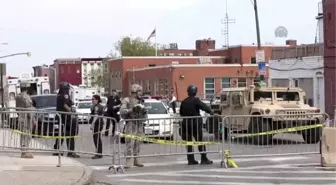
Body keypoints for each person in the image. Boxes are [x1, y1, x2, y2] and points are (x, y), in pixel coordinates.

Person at [180, 84, 214, 165]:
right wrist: (211, 112)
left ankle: (191, 160)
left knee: (189, 142)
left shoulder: (184, 101)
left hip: (186, 124)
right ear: (195, 92)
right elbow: (204, 107)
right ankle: (204, 159)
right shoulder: (196, 100)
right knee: (199, 141)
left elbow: (181, 113)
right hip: (195, 124)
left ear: (188, 92)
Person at [120, 84, 147, 168]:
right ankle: (128, 160)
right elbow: (122, 112)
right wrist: (131, 110)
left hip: (139, 124)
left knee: (138, 142)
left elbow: (145, 115)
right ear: (134, 92)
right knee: (129, 143)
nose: (141, 93)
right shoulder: (126, 100)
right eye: (139, 91)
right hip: (130, 124)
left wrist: (144, 112)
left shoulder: (141, 101)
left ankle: (136, 159)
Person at [52, 82, 80, 158]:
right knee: (70, 135)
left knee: (60, 135)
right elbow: (65, 105)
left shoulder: (59, 95)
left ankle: (57, 150)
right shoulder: (65, 95)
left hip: (60, 118)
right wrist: (71, 112)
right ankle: (70, 152)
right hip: (66, 118)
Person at [16, 81, 35, 159]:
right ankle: (25, 152)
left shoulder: (17, 96)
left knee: (23, 135)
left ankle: (24, 151)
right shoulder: (26, 97)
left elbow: (17, 108)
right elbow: (29, 106)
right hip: (27, 118)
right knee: (27, 135)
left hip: (21, 117)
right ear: (26, 88)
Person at [90, 94, 105, 159]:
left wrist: (92, 124)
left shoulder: (97, 107)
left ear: (97, 100)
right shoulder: (95, 106)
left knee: (97, 138)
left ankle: (99, 154)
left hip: (98, 124)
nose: (92, 100)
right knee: (96, 138)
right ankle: (98, 152)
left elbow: (96, 116)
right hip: (97, 123)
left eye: (93, 99)